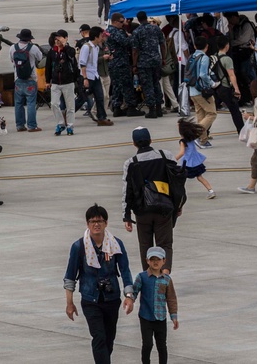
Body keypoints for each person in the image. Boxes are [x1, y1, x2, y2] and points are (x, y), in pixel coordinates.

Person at [63, 203, 136, 364]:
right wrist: (69, 303)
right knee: (99, 337)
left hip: (112, 299)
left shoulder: (116, 244)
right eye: (92, 221)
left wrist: (129, 296)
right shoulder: (78, 246)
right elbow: (70, 277)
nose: (96, 224)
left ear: (106, 223)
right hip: (90, 300)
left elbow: (125, 271)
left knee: (109, 340)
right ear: (87, 224)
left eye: (100, 221)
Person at [123, 127, 185, 274]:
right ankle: (164, 274)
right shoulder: (166, 156)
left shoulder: (131, 162)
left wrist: (126, 215)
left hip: (142, 211)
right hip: (164, 209)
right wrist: (179, 204)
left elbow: (127, 190)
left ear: (134, 143)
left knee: (145, 245)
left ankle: (149, 277)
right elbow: (177, 182)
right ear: (151, 140)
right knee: (165, 244)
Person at [131, 247, 179, 364]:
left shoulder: (166, 280)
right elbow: (134, 291)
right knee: (147, 344)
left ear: (164, 261)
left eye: (158, 259)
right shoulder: (142, 277)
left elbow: (171, 298)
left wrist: (174, 316)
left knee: (162, 346)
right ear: (147, 261)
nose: (155, 262)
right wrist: (130, 300)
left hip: (160, 317)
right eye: (152, 259)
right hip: (146, 317)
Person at [132, 11, 165, 118]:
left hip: (144, 62)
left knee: (148, 85)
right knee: (156, 83)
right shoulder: (156, 29)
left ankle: (152, 109)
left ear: (138, 19)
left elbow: (135, 50)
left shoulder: (137, 32)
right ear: (146, 18)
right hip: (156, 60)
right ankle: (159, 107)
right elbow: (162, 44)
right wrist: (163, 58)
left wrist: (134, 64)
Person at [185, 36, 217, 146]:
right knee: (212, 113)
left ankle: (203, 140)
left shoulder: (192, 56)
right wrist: (212, 84)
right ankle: (197, 133)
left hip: (192, 90)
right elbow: (203, 75)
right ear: (207, 46)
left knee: (201, 114)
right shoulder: (204, 58)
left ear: (194, 46)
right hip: (201, 91)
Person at [10, 28, 43, 132]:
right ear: (29, 38)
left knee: (18, 103)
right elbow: (40, 58)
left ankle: (20, 125)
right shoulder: (33, 48)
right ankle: (32, 125)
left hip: (18, 79)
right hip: (31, 79)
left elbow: (12, 60)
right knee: (31, 103)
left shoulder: (13, 48)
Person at [175, 119, 214, 199]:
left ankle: (179, 193)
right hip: (196, 162)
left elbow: (182, 153)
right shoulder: (191, 138)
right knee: (200, 177)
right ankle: (211, 190)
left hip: (188, 163)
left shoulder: (182, 141)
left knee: (181, 179)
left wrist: (174, 159)